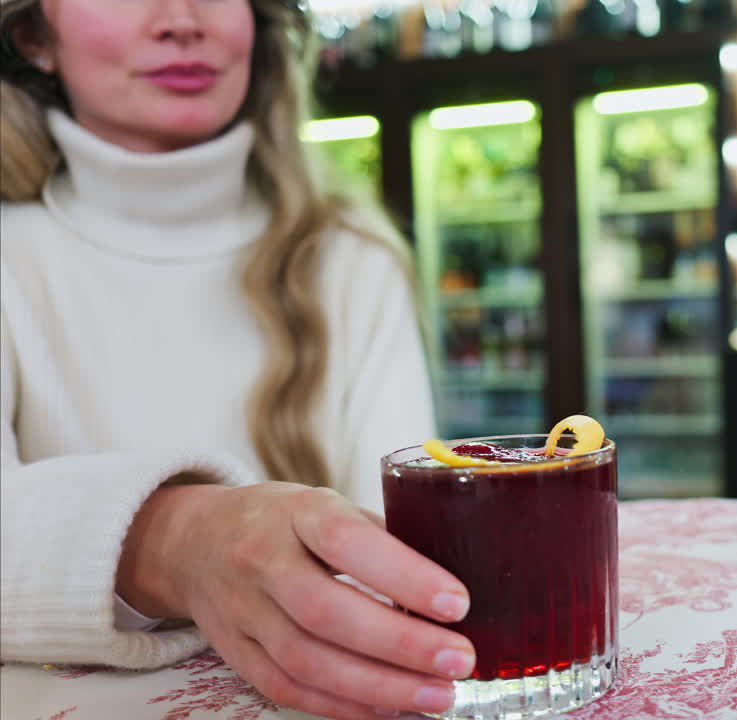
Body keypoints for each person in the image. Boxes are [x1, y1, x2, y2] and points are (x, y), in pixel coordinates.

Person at [0, 2, 470, 718]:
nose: (181, 18)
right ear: (34, 36)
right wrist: (175, 544)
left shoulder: (350, 258)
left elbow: (402, 560)